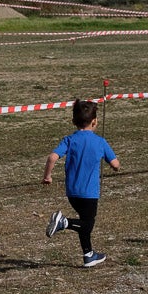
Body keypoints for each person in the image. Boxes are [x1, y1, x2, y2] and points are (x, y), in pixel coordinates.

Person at [43, 99, 120, 268]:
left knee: (84, 223)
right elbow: (115, 164)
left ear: (73, 122)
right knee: (87, 224)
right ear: (95, 121)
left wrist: (47, 176)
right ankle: (64, 222)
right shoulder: (100, 142)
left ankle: (88, 255)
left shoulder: (69, 140)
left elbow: (52, 157)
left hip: (72, 192)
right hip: (89, 193)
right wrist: (114, 166)